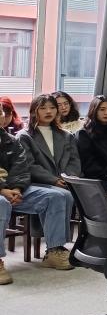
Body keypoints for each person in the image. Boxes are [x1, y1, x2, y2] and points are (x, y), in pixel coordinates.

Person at [0, 120, 76, 281]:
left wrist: (17, 189)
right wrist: (2, 190)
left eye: (0, 112)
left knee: (56, 196)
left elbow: (22, 168)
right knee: (2, 203)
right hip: (3, 193)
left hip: (14, 190)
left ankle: (54, 250)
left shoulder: (10, 140)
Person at [18, 94, 82, 189]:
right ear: (34, 111)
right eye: (43, 108)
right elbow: (29, 165)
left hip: (68, 182)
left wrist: (68, 178)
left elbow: (74, 161)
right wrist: (53, 180)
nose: (48, 111)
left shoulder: (67, 135)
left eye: (52, 108)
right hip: (40, 184)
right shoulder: (24, 136)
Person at [76, 95, 107, 183]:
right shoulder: (84, 134)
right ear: (94, 111)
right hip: (99, 180)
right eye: (102, 109)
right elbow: (89, 166)